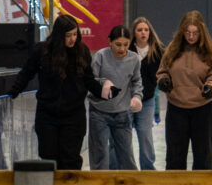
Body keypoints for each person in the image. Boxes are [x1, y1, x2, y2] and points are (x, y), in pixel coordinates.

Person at [8, 14, 110, 169]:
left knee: (71, 159)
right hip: (47, 114)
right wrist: (14, 90)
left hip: (74, 115)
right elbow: (26, 73)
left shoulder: (82, 51)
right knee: (49, 158)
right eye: (68, 36)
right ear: (59, 35)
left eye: (75, 34)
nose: (72, 39)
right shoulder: (42, 51)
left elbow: (88, 80)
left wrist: (104, 92)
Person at [157, 11, 212, 170]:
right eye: (187, 33)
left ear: (202, 33)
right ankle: (175, 184)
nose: (191, 37)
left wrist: (211, 86)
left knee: (203, 154)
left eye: (195, 33)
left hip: (203, 108)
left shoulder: (211, 50)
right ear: (182, 32)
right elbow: (163, 70)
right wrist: (163, 80)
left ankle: (201, 184)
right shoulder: (172, 49)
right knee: (175, 155)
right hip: (177, 108)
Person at [88, 25, 142, 170]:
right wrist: (103, 83)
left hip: (122, 113)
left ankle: (129, 183)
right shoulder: (100, 56)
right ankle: (99, 183)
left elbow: (137, 81)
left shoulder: (134, 59)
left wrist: (136, 97)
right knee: (100, 156)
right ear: (110, 42)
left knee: (127, 156)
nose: (122, 49)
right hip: (99, 113)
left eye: (126, 44)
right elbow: (90, 80)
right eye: (118, 44)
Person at [128, 17, 164, 169]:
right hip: (127, 100)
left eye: (146, 30)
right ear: (134, 33)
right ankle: (124, 168)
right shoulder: (127, 50)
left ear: (150, 32)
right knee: (123, 136)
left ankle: (148, 169)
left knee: (145, 135)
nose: (143, 32)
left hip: (147, 100)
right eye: (139, 30)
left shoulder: (159, 51)